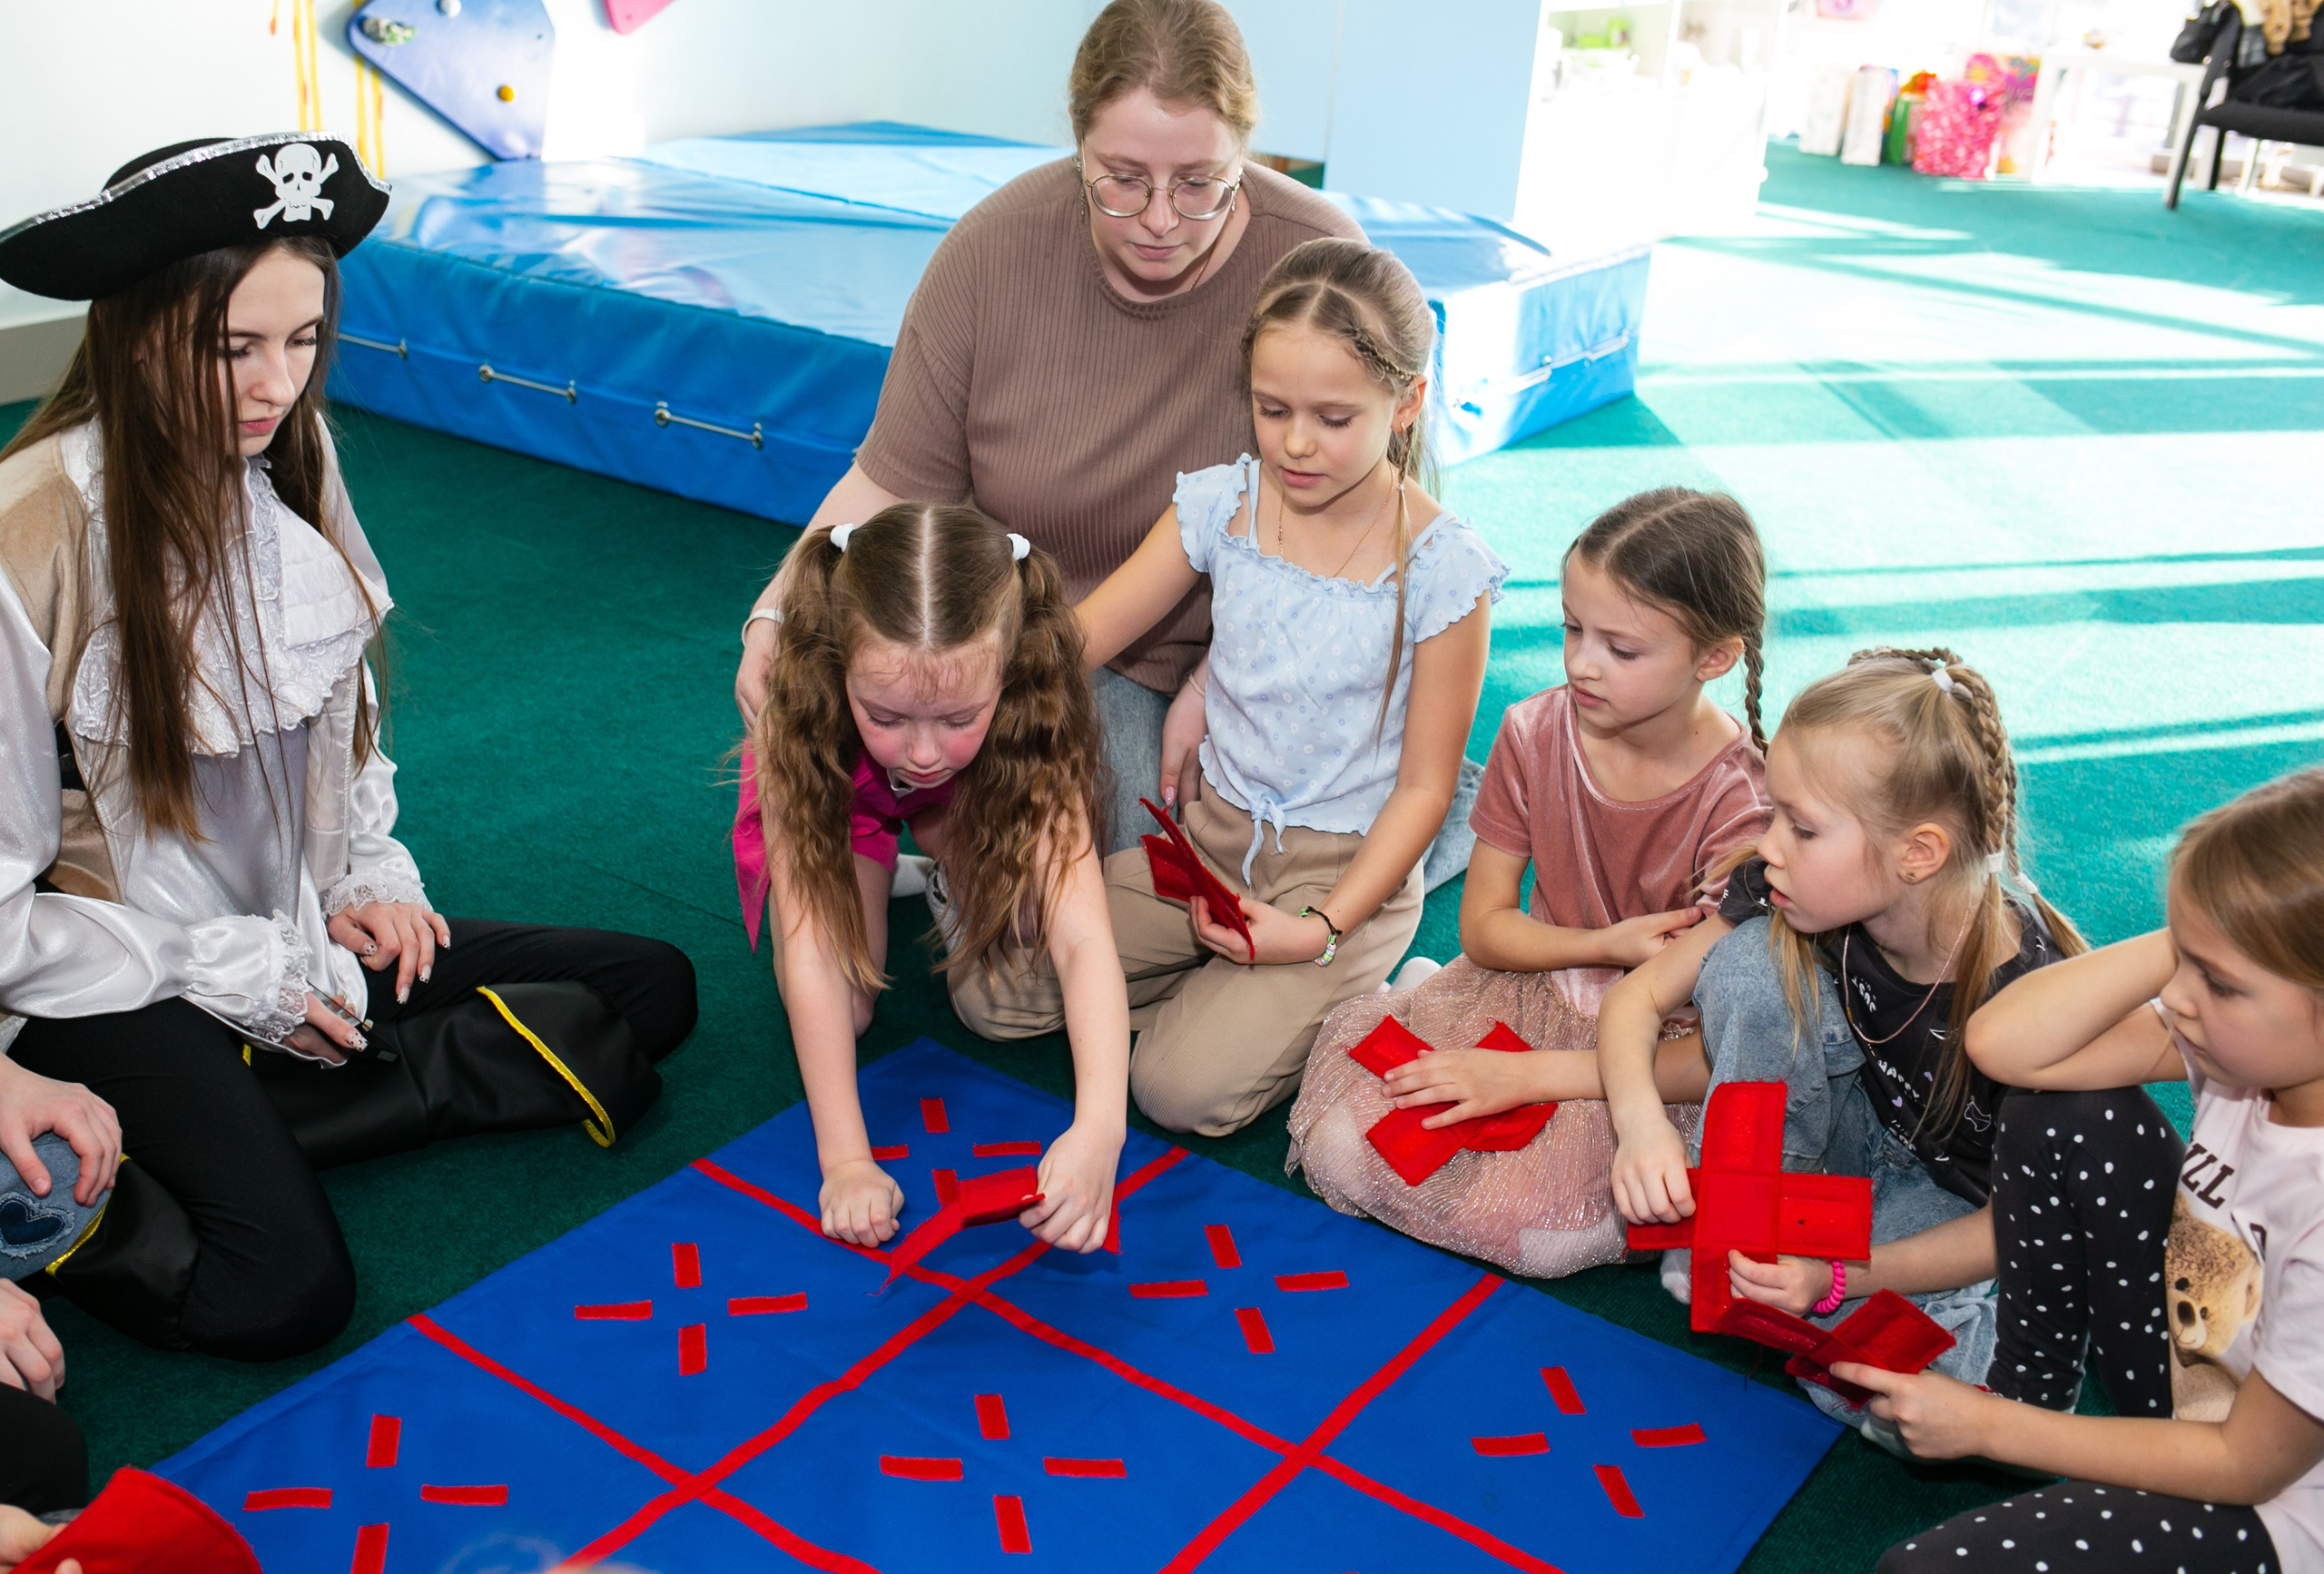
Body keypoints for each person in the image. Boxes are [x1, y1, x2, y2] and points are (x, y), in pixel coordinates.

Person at [0, 135, 698, 1360]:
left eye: (304, 339)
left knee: (654, 991)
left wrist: (366, 880)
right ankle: (97, 1157)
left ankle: (270, 1086)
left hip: (281, 925)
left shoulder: (294, 460)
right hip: (97, 969)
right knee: (279, 1292)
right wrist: (230, 973)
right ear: (138, 329)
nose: (276, 386)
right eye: (235, 347)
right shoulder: (30, 542)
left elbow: (346, 734)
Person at [731, 0, 1377, 860]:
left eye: (1199, 183)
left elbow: (1370, 524)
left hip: (1233, 656)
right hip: (1029, 646)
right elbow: (888, 481)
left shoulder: (1317, 259)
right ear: (1076, 146)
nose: (1159, 218)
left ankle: (1408, 796)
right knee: (840, 759)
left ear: (1247, 153)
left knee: (1154, 881)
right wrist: (774, 616)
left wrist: (1220, 682)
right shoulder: (990, 252)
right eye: (1121, 177)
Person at [952, 238, 1503, 1137]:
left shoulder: (1446, 570)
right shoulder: (1220, 502)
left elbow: (1424, 788)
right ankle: (1216, 992)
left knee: (1176, 1090)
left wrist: (1320, 929)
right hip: (1208, 843)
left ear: (1405, 404)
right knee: (990, 990)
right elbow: (1078, 640)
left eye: (1333, 418)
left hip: (1342, 872)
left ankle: (1349, 973)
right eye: (1270, 407)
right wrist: (953, 685)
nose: (1293, 443)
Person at [1600, 648, 2141, 1441]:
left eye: (1804, 827)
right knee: (1748, 963)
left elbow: (2010, 1221)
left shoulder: (2026, 1006)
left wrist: (1836, 1277)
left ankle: (1971, 1324)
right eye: (1775, 812)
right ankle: (1747, 1228)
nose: (1770, 845)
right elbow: (1637, 999)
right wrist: (1641, 1125)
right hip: (1855, 1140)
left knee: (1913, 1400)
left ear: (1918, 852)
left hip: (1964, 1208)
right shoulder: (1794, 887)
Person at [1285, 488, 1771, 1280]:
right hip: (1527, 983)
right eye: (1573, 629)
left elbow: (1721, 1039)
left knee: (1537, 1241)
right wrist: (1605, 943)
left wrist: (1533, 1071)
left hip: (1659, 1049)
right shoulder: (1533, 730)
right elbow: (1484, 927)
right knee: (1342, 1151)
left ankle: (1433, 1013)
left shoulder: (1746, 806)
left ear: (1714, 658)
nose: (1581, 663)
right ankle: (1425, 994)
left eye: (1622, 648)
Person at [1865, 768, 2324, 1574]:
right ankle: (2030, 1391)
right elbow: (2004, 1046)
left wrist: (1984, 1429)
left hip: (2275, 1508)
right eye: (2183, 959)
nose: (2179, 998)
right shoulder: (2242, 1054)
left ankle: (2021, 1423)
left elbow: (2249, 1468)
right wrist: (2203, 934)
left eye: (2218, 982)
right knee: (2057, 1109)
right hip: (2196, 1365)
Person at [741, 505, 1128, 1250]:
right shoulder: (802, 708)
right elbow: (816, 955)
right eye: (887, 714)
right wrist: (846, 1162)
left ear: (1008, 674)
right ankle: (886, 868)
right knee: (843, 1007)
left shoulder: (1031, 707)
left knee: (1026, 923)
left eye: (957, 717)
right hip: (841, 794)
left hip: (973, 791)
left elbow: (1084, 941)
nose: (920, 750)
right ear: (839, 665)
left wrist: (1098, 1129)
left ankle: (939, 866)